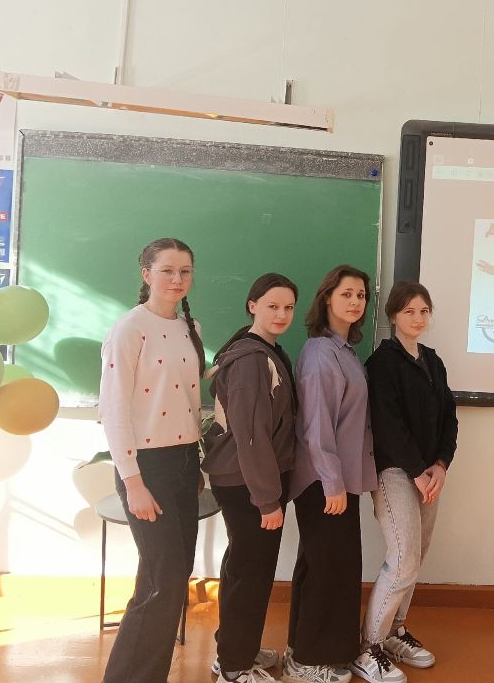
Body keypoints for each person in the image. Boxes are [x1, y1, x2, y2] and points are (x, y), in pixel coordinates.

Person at [98, 238, 206, 683]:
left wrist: (195, 461)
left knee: (169, 578)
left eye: (185, 271)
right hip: (147, 467)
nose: (177, 279)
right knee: (164, 583)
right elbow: (113, 409)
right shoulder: (129, 329)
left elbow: (185, 395)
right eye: (167, 270)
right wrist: (133, 482)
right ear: (147, 274)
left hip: (184, 461)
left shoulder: (190, 326)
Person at [353, 281, 459, 683]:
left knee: (416, 556)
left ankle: (395, 632)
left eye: (424, 311)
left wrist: (441, 464)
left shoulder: (433, 361)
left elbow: (449, 417)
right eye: (409, 311)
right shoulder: (382, 363)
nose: (418, 318)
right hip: (396, 472)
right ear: (393, 316)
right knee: (402, 560)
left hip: (429, 473)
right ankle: (369, 647)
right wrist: (417, 471)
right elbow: (387, 425)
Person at [202, 273, 300, 683]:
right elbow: (251, 434)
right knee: (250, 572)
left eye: (288, 307)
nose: (281, 314)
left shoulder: (265, 351)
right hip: (246, 483)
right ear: (252, 305)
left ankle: (234, 648)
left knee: (244, 567)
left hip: (249, 480)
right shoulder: (251, 360)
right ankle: (234, 667)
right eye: (272, 306)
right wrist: (266, 499)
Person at [284, 265, 377, 683]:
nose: (355, 302)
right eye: (346, 294)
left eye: (361, 295)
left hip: (339, 479)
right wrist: (332, 484)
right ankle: (307, 661)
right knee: (328, 569)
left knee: (324, 565)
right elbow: (316, 424)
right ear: (326, 298)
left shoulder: (345, 349)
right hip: (325, 483)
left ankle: (301, 649)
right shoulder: (321, 352)